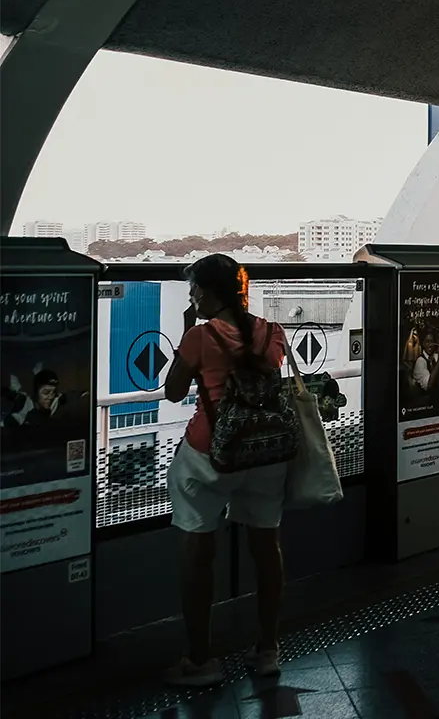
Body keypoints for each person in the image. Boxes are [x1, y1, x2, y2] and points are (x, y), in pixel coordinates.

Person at [161, 254, 292, 686]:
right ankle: (268, 648)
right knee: (266, 546)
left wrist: (187, 339)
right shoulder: (272, 332)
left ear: (210, 291)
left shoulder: (201, 336)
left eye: (195, 288)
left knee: (198, 551)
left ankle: (201, 660)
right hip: (268, 453)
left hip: (211, 456)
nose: (192, 295)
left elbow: (173, 391)